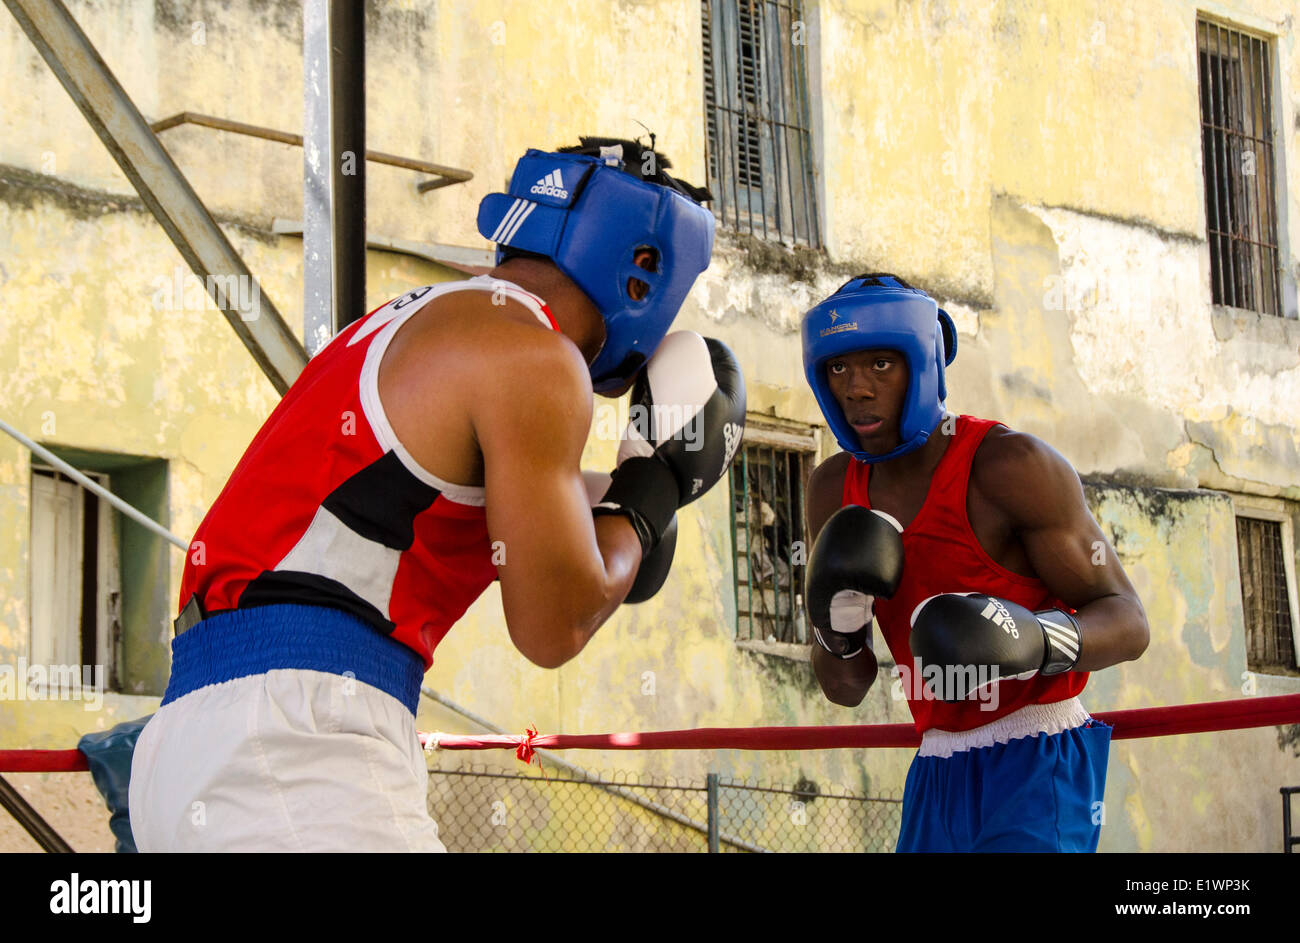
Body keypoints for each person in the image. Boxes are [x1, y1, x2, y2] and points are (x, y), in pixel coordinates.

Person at [129, 137, 746, 851]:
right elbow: (554, 623)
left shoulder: (414, 322)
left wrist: (626, 512)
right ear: (645, 266)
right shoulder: (535, 358)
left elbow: (552, 539)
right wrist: (656, 483)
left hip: (194, 739)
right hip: (300, 740)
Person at [800, 273, 1148, 852]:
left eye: (880, 365)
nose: (857, 388)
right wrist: (837, 632)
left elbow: (1130, 621)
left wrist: (1034, 639)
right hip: (935, 765)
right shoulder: (832, 489)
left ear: (926, 362)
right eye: (839, 369)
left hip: (1039, 756)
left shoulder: (1010, 467)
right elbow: (846, 686)